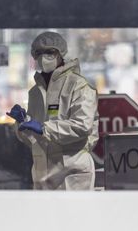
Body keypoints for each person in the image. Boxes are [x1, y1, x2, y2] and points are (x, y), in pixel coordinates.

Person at [7, 31, 99, 190]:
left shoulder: (78, 86)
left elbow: (82, 126)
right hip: (42, 171)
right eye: (39, 53)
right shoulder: (35, 92)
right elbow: (35, 139)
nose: (44, 57)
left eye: (50, 52)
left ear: (61, 53)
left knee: (75, 215)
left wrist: (43, 128)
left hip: (72, 170)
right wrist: (23, 125)